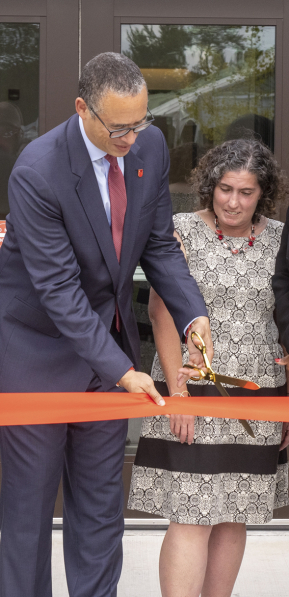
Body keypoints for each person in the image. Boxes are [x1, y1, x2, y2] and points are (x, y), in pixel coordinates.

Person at [0, 52, 212, 597]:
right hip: (35, 347)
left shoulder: (149, 148)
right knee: (30, 507)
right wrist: (124, 371)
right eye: (118, 128)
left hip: (106, 339)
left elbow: (158, 244)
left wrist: (193, 315)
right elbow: (59, 292)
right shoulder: (37, 171)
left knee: (100, 504)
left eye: (140, 124)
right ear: (83, 108)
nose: (131, 139)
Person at [128, 138, 289, 597]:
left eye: (246, 192)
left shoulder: (279, 239)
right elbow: (161, 314)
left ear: (263, 194)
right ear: (209, 187)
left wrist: (287, 405)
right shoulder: (180, 231)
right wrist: (179, 398)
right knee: (192, 515)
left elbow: (286, 320)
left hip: (259, 397)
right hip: (192, 390)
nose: (233, 201)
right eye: (224, 189)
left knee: (234, 513)